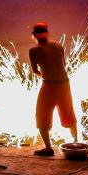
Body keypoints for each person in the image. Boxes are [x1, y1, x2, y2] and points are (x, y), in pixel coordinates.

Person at [29, 22, 77, 156]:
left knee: (41, 115)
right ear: (47, 34)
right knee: (68, 113)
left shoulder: (33, 50)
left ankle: (48, 148)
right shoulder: (58, 45)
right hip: (64, 83)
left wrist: (45, 74)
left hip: (49, 85)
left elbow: (35, 70)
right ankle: (76, 142)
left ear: (34, 36)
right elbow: (63, 64)